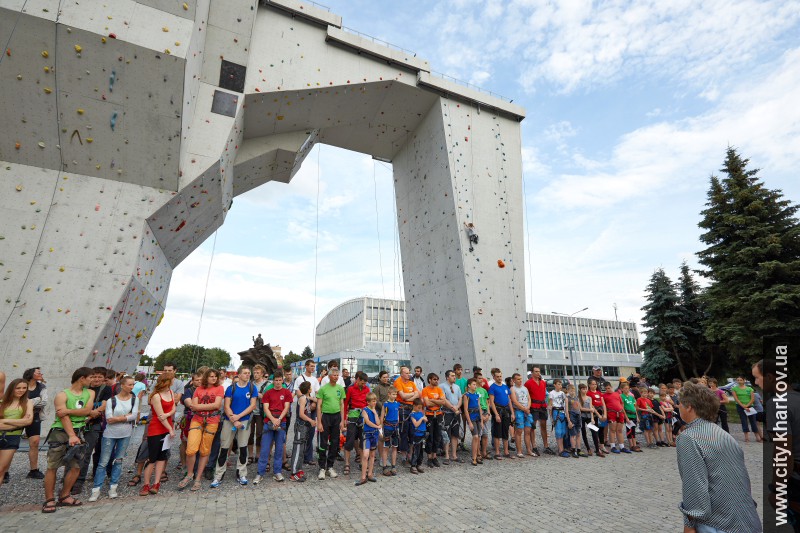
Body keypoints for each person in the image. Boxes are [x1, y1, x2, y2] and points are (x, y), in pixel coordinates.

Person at [676, 381, 762, 533]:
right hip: (746, 519)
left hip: (717, 523)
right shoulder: (723, 434)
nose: (678, 407)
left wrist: (689, 524)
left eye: (680, 404)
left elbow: (694, 486)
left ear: (689, 406)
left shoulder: (688, 437)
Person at [42, 367, 94, 513]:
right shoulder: (62, 395)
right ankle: (49, 499)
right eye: (90, 377)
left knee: (76, 466)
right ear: (81, 378)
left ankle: (65, 495)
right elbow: (62, 416)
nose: (93, 380)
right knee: (52, 466)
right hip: (60, 432)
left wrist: (69, 411)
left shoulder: (90, 392)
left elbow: (86, 411)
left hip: (80, 431)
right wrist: (71, 435)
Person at [89, 375, 138, 501]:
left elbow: (134, 415)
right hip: (110, 434)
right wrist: (125, 417)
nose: (132, 387)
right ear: (122, 385)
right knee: (103, 462)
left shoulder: (134, 399)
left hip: (125, 433)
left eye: (133, 384)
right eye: (130, 384)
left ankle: (113, 486)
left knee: (119, 460)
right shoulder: (112, 400)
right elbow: (109, 418)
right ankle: (96, 489)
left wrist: (119, 418)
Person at [212, 366, 258, 487]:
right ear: (239, 374)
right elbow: (226, 405)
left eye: (249, 373)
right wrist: (233, 418)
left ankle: (241, 473)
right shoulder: (231, 388)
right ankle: (218, 475)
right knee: (224, 448)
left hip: (244, 421)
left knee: (243, 448)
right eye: (245, 373)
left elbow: (252, 406)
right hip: (229, 421)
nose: (248, 375)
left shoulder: (253, 388)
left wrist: (238, 417)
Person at [179, 368, 223, 492]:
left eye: (215, 376)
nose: (214, 378)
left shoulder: (219, 388)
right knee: (191, 449)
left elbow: (217, 405)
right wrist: (204, 407)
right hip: (197, 420)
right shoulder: (198, 389)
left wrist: (199, 407)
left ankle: (198, 478)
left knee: (205, 450)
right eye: (211, 376)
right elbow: (193, 407)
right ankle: (189, 474)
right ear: (206, 378)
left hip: (212, 421)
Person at [75, 367, 113, 494]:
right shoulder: (85, 389)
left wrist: (90, 416)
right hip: (80, 421)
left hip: (95, 422)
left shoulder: (106, 389)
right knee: (74, 452)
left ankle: (80, 480)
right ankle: (71, 477)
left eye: (99, 377)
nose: (96, 379)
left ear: (104, 378)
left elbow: (104, 405)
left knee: (88, 452)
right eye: (94, 377)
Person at [140, 373, 175, 496]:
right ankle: (146, 484)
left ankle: (156, 482)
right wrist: (170, 428)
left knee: (162, 456)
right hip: (156, 429)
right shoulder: (156, 396)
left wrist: (168, 415)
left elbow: (174, 408)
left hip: (167, 426)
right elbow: (160, 416)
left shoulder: (170, 392)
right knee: (152, 458)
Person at [256, 370, 291, 483]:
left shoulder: (286, 392)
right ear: (273, 381)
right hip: (268, 422)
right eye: (276, 380)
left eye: (280, 380)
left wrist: (279, 419)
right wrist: (273, 420)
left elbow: (286, 407)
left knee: (279, 449)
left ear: (282, 380)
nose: (278, 382)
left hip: (282, 421)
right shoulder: (268, 393)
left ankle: (277, 472)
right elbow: (266, 408)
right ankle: (260, 473)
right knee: (265, 449)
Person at [0, 379, 33, 484]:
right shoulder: (2, 401)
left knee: (1, 470)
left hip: (12, 438)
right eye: (18, 388)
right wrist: (20, 421)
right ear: (12, 388)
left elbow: (28, 421)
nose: (21, 390)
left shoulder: (28, 402)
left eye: (24, 388)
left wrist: (5, 420)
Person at [316, 366, 345, 480]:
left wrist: (342, 421)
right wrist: (319, 422)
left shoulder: (340, 388)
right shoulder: (323, 389)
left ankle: (330, 466)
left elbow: (342, 405)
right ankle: (322, 467)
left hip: (336, 416)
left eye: (337, 375)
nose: (336, 377)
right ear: (329, 376)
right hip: (325, 416)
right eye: (334, 375)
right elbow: (318, 406)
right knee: (323, 443)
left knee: (335, 442)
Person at [294, 359, 320, 468]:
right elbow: (298, 392)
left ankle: (308, 457)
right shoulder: (299, 379)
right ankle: (299, 455)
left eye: (314, 366)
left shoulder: (315, 379)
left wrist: (314, 403)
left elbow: (318, 393)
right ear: (306, 366)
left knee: (310, 432)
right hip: (303, 406)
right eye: (311, 366)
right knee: (301, 431)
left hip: (312, 408)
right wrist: (309, 399)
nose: (313, 368)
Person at [343, 371, 370, 476]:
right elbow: (345, 404)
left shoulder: (367, 389)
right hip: (353, 415)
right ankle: (347, 463)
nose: (364, 385)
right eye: (362, 383)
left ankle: (363, 463)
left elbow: (369, 404)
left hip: (363, 416)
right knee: (349, 440)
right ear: (357, 380)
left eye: (365, 383)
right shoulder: (350, 389)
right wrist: (344, 418)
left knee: (363, 440)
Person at [22, 367, 47, 479]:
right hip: (19, 415)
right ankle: (5, 470)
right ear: (31, 374)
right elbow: (16, 399)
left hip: (35, 415)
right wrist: (36, 400)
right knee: (10, 442)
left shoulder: (42, 386)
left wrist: (28, 402)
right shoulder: (21, 384)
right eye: (38, 372)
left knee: (35, 442)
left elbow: (44, 402)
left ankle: (33, 470)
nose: (41, 373)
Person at [288, 381, 314, 482]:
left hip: (304, 426)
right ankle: (294, 472)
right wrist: (311, 420)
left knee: (302, 448)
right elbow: (301, 414)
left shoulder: (306, 398)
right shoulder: (303, 398)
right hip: (301, 426)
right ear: (308, 389)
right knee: (298, 448)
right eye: (310, 387)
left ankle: (298, 469)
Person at [393, 366, 419, 465]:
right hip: (403, 409)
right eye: (407, 373)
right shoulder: (398, 382)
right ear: (402, 374)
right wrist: (411, 395)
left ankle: (410, 454)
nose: (409, 375)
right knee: (404, 432)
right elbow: (402, 396)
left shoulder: (412, 383)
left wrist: (408, 398)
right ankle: (404, 454)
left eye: (409, 373)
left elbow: (417, 394)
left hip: (412, 409)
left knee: (412, 432)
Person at [488, 368, 514, 460]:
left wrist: (512, 413)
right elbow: (491, 402)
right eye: (497, 376)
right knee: (497, 432)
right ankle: (497, 452)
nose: (499, 378)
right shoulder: (492, 387)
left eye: (500, 376)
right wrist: (496, 414)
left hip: (506, 410)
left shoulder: (505, 387)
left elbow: (509, 400)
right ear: (494, 377)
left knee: (505, 431)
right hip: (498, 410)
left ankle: (506, 451)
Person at [355, 392, 381, 486]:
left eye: (375, 401)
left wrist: (375, 413)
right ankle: (363, 476)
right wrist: (377, 427)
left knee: (373, 455)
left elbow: (378, 422)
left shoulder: (375, 411)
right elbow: (368, 422)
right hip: (367, 434)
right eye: (373, 401)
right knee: (366, 455)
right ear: (368, 402)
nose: (375, 403)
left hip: (374, 434)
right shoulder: (364, 410)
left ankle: (370, 474)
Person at [420, 372, 446, 468]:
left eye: (437, 379)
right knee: (429, 437)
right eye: (434, 379)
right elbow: (427, 403)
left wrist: (433, 401)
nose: (436, 381)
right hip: (429, 415)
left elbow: (443, 402)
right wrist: (437, 401)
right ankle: (429, 458)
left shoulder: (439, 389)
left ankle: (434, 457)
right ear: (430, 380)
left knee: (437, 436)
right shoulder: (425, 390)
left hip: (438, 415)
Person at [179, 371, 201, 471]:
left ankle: (196, 465)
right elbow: (189, 403)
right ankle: (184, 464)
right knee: (185, 442)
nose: (199, 382)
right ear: (192, 381)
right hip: (189, 417)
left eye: (201, 380)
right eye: (197, 380)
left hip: (201, 418)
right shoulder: (188, 390)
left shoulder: (206, 390)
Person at [524, 367, 548, 456]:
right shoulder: (528, 383)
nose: (538, 373)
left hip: (542, 406)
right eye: (536, 371)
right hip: (533, 406)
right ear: (532, 372)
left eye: (539, 371)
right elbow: (526, 395)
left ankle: (546, 446)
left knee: (544, 426)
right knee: (532, 427)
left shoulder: (543, 382)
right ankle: (534, 446)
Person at [441, 370, 463, 464]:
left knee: (455, 434)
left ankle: (454, 455)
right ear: (447, 377)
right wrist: (453, 408)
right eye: (452, 375)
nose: (454, 377)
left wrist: (457, 407)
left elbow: (460, 398)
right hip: (447, 413)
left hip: (456, 413)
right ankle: (446, 456)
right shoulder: (442, 386)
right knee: (446, 434)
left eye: (454, 375)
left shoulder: (457, 387)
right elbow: (443, 399)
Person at [731, 376, 762, 442]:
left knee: (753, 421)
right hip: (740, 406)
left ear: (744, 380)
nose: (739, 381)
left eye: (741, 380)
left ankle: (757, 437)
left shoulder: (750, 389)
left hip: (750, 406)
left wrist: (747, 406)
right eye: (738, 380)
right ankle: (746, 437)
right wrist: (743, 406)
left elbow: (752, 398)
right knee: (744, 421)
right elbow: (736, 399)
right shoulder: (734, 389)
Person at [603, 381, 630, 454]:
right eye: (606, 389)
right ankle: (613, 446)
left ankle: (622, 446)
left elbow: (621, 404)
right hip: (611, 413)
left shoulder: (617, 394)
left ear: (611, 387)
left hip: (620, 413)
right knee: (612, 430)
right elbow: (603, 406)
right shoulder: (604, 396)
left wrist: (625, 415)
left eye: (608, 388)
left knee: (619, 430)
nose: (607, 390)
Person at [462, 378, 484, 466]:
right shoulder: (466, 395)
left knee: (478, 437)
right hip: (472, 417)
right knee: (475, 436)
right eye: (473, 384)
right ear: (469, 385)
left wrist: (482, 420)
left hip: (478, 417)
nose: (475, 386)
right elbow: (466, 410)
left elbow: (479, 408)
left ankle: (478, 455)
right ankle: (474, 457)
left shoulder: (477, 395)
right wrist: (469, 422)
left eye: (475, 385)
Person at [380, 387, 400, 476]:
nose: (394, 396)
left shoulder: (397, 404)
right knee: (386, 447)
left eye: (396, 394)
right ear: (389, 394)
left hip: (396, 427)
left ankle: (393, 466)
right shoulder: (385, 404)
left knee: (395, 447)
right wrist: (380, 428)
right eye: (393, 394)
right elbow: (382, 416)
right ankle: (384, 466)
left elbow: (398, 415)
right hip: (388, 427)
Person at [548, 379, 569, 457]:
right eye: (558, 384)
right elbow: (550, 405)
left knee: (563, 432)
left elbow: (565, 403)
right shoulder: (551, 393)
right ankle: (560, 450)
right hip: (556, 412)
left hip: (562, 412)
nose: (560, 386)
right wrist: (551, 418)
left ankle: (562, 448)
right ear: (554, 385)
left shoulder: (562, 393)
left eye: (561, 384)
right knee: (558, 431)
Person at [584, 380, 606, 457]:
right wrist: (598, 415)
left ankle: (602, 445)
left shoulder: (599, 392)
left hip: (601, 412)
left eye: (595, 384)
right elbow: (591, 405)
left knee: (602, 429)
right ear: (589, 385)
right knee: (595, 430)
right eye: (592, 384)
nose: (594, 386)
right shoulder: (588, 393)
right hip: (594, 413)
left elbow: (603, 403)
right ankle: (597, 447)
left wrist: (604, 414)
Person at [475, 371, 491, 459]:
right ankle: (478, 453)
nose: (481, 380)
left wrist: (488, 413)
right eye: (479, 378)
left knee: (485, 434)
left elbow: (487, 402)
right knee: (478, 434)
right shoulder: (474, 390)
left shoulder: (484, 390)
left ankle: (484, 452)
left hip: (485, 411)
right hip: (477, 412)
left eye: (482, 378)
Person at [620, 381, 640, 452]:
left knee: (633, 430)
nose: (627, 390)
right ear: (622, 389)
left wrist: (637, 416)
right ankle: (631, 445)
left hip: (633, 415)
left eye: (628, 388)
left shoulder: (631, 397)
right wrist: (626, 417)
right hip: (628, 415)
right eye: (625, 388)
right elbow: (622, 408)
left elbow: (634, 407)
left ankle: (634, 444)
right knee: (629, 430)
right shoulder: (621, 396)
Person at [408, 399, 427, 474]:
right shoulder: (412, 414)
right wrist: (422, 419)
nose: (420, 409)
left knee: (422, 450)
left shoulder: (421, 413)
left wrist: (424, 418)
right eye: (418, 408)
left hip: (423, 433)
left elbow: (426, 419)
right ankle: (413, 465)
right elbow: (415, 424)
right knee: (416, 450)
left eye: (421, 408)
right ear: (414, 406)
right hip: (417, 434)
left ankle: (419, 464)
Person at [566, 384, 583, 458]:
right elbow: (566, 410)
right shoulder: (567, 398)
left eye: (573, 390)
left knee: (578, 433)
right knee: (572, 434)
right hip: (571, 415)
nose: (572, 392)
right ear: (568, 391)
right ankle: (573, 450)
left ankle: (579, 449)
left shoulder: (576, 398)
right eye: (571, 390)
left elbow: (579, 408)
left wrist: (580, 414)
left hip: (578, 415)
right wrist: (569, 421)